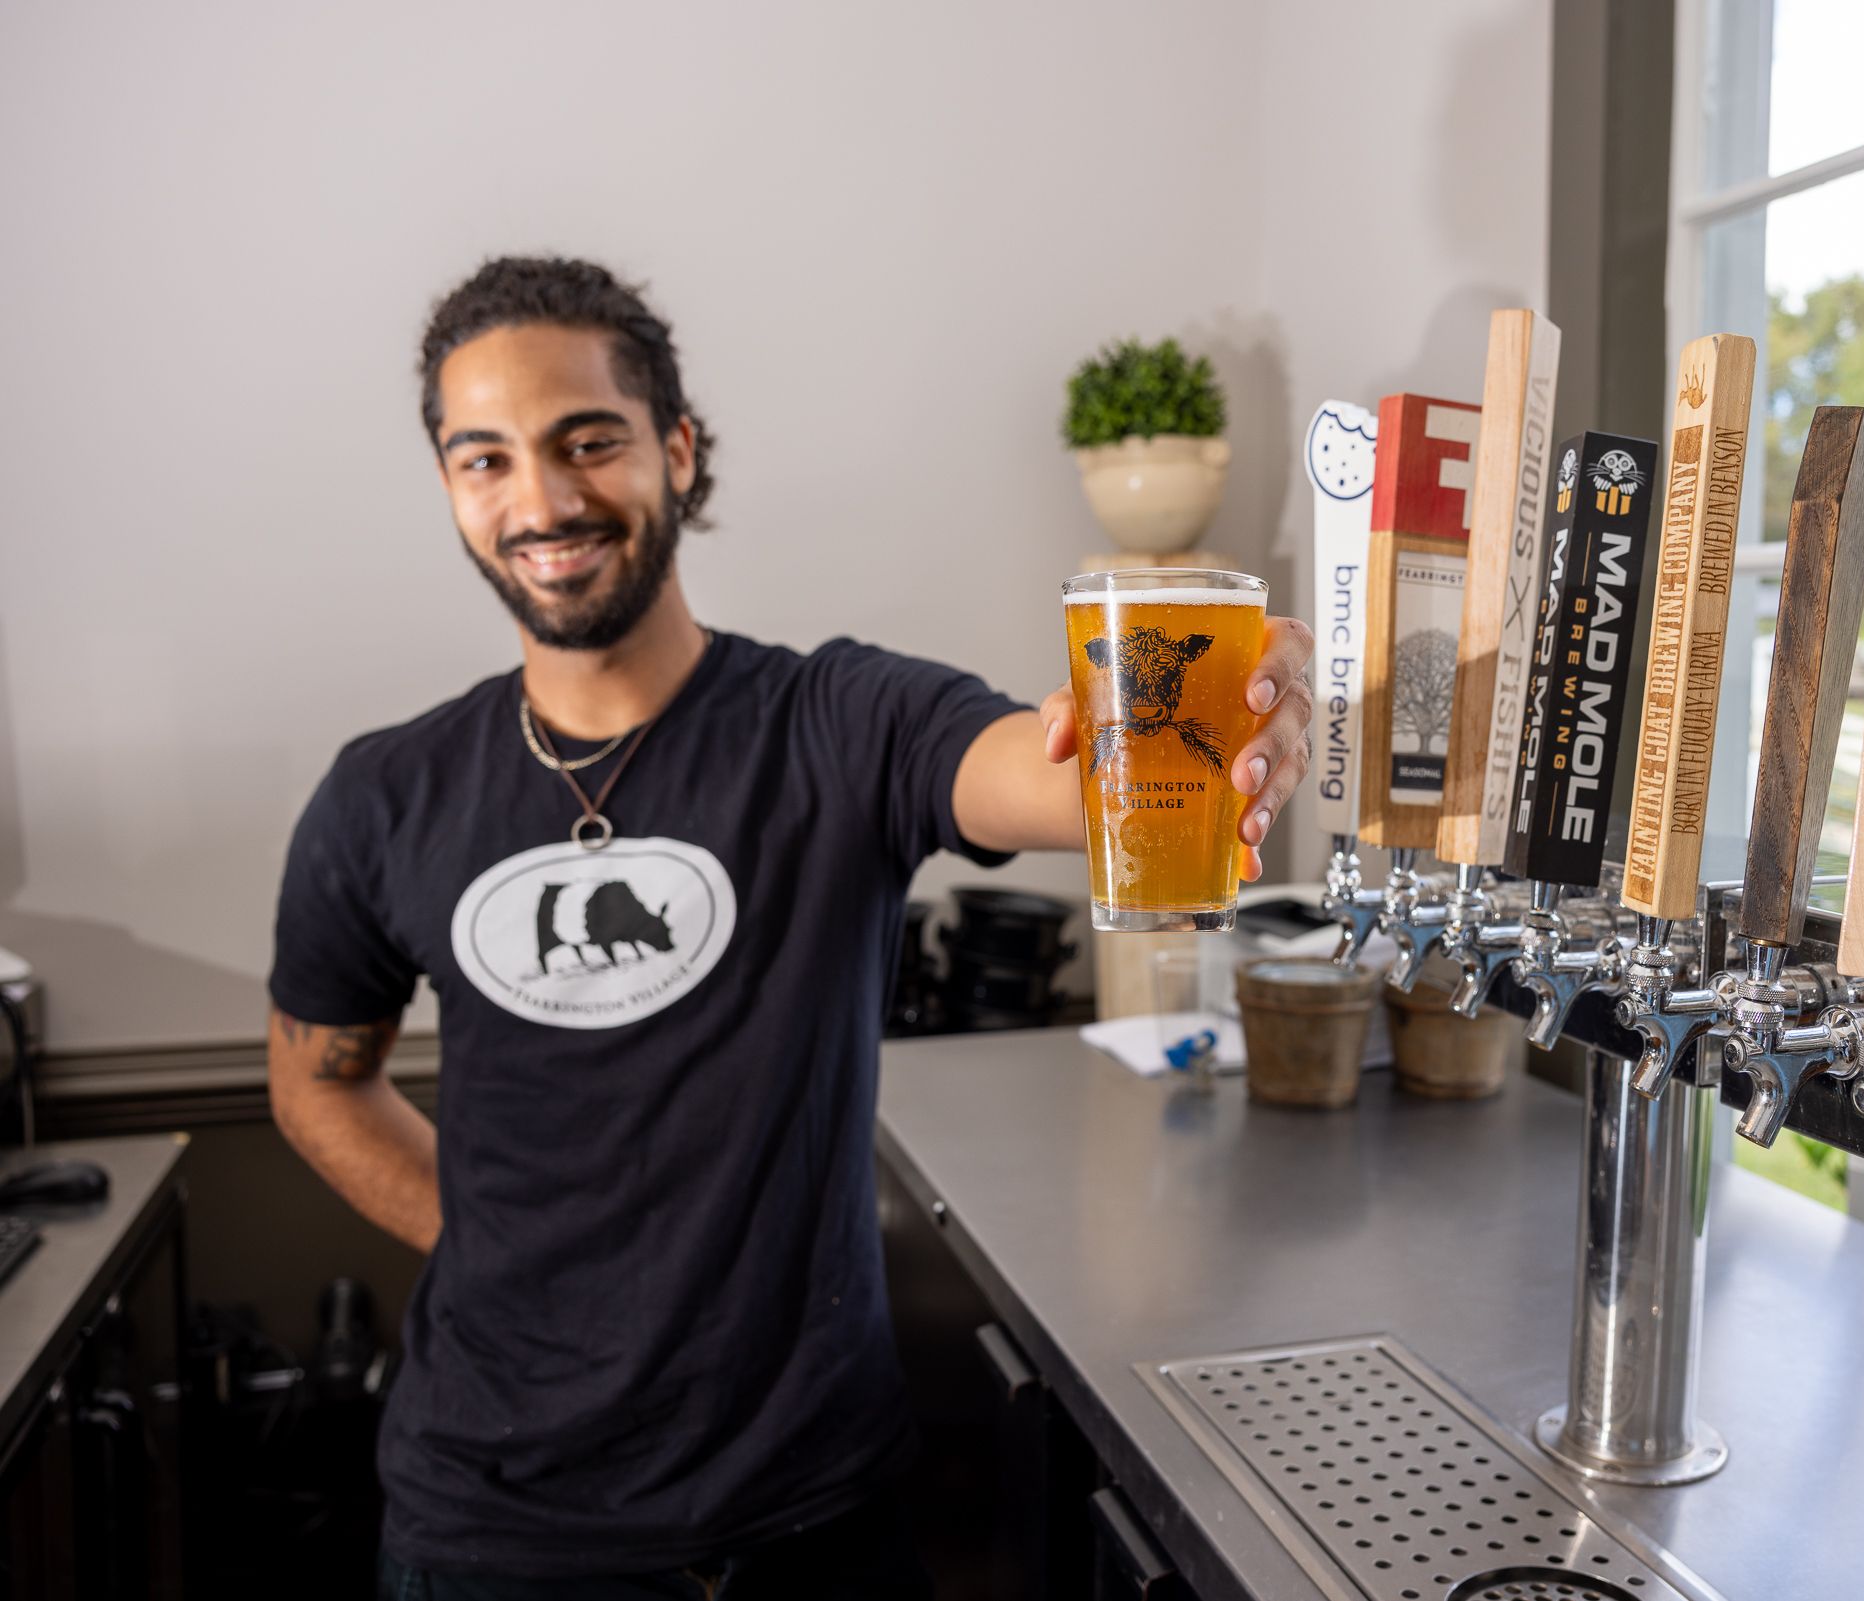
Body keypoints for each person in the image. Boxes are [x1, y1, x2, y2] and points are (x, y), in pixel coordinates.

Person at [266, 257, 1314, 1600]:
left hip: (810, 1525)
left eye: (590, 440)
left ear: (678, 449)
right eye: (487, 459)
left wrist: (1200, 728)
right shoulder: (384, 796)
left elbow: (1043, 768)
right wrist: (492, 1247)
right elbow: (313, 1077)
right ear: (451, 485)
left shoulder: (839, 724)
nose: (543, 499)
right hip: (496, 1535)